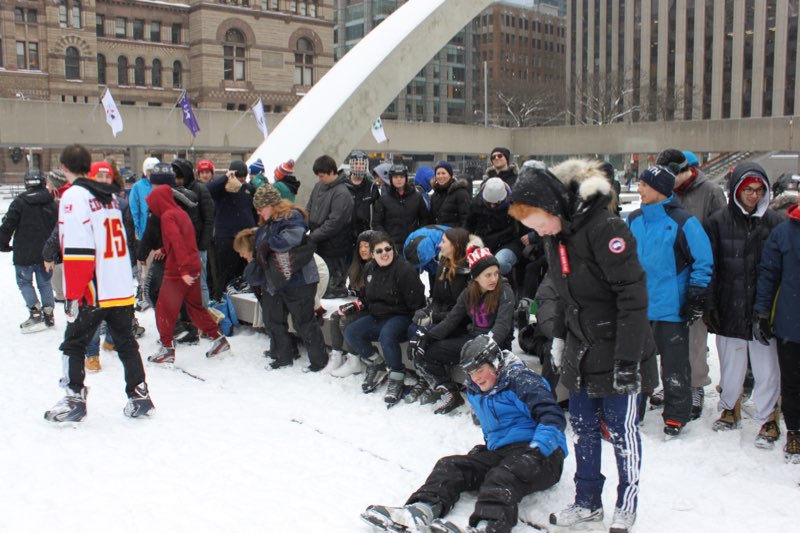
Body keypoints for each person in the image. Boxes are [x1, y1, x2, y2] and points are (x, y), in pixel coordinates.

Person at [508, 160, 657, 533]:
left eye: (540, 223)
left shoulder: (606, 228)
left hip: (619, 346)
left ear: (554, 205)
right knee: (584, 428)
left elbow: (633, 297)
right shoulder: (556, 236)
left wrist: (627, 361)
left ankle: (626, 502)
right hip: (581, 347)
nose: (539, 231)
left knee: (622, 432)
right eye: (533, 228)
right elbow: (563, 294)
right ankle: (587, 501)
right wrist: (559, 335)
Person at [362, 336, 566, 533]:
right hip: (505, 452)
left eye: (480, 370)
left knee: (502, 475)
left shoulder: (521, 381)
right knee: (450, 465)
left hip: (544, 454)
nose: (476, 378)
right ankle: (421, 510)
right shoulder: (476, 390)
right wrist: (487, 452)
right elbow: (498, 428)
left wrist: (538, 450)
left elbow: (552, 417)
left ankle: (488, 526)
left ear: (495, 364)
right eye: (470, 373)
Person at [44, 144, 154, 423]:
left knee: (73, 344)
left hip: (95, 286)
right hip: (118, 284)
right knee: (126, 342)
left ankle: (73, 399)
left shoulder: (74, 196)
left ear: (64, 168)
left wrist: (73, 293)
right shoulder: (109, 197)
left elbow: (78, 249)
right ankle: (140, 395)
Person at [628, 165, 713, 436]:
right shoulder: (633, 219)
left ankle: (676, 413)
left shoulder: (684, 221)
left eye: (644, 185)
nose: (639, 189)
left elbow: (704, 260)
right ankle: (634, 409)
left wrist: (696, 294)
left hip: (671, 307)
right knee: (638, 363)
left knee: (675, 365)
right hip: (640, 308)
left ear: (660, 190)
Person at [704, 162, 783, 447]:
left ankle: (768, 416)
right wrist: (709, 303)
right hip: (729, 304)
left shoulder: (775, 222)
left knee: (767, 368)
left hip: (762, 309)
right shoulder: (717, 222)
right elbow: (710, 266)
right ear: (736, 189)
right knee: (731, 364)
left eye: (758, 190)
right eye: (747, 189)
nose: (753, 195)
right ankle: (730, 407)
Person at [654, 148, 725, 417]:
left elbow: (719, 235)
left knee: (696, 335)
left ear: (685, 171)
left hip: (697, 273)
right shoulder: (664, 192)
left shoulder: (711, 192)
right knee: (667, 334)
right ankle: (671, 383)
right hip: (668, 274)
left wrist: (709, 279)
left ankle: (696, 384)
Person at [410, 245, 515, 415]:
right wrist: (428, 336)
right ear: (476, 277)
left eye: (496, 273)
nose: (493, 279)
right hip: (472, 339)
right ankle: (449, 392)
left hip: (496, 345)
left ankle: (487, 402)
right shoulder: (468, 293)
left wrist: (482, 346)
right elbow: (451, 320)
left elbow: (501, 327)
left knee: (477, 360)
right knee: (427, 352)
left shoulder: (505, 291)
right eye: (488, 275)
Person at [145, 184, 231, 363]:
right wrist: (164, 248)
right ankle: (219, 339)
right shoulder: (181, 213)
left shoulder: (168, 217)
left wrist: (183, 269)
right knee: (195, 308)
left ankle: (166, 348)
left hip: (178, 270)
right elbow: (184, 238)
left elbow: (177, 242)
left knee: (164, 309)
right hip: (193, 266)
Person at [342, 232, 426, 406]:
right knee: (351, 331)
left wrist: (416, 320)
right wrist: (356, 305)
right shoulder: (369, 269)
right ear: (372, 254)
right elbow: (367, 297)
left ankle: (396, 377)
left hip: (401, 316)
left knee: (387, 335)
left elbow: (417, 301)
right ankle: (377, 363)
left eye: (388, 249)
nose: (384, 253)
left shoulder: (404, 270)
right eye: (379, 251)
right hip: (377, 316)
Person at [254, 184, 329, 372]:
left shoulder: (291, 216)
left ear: (271, 205)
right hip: (276, 281)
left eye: (261, 207)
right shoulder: (268, 223)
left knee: (303, 322)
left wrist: (268, 244)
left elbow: (292, 239)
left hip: (300, 279)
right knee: (273, 319)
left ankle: (319, 362)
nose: (258, 211)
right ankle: (283, 356)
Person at [753, 191, 800, 463]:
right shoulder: (783, 233)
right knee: (792, 381)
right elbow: (768, 275)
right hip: (791, 322)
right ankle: (794, 430)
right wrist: (762, 311)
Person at [404, 227, 473, 404]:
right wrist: (428, 311)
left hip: (458, 322)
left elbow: (461, 311)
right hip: (443, 315)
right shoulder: (443, 262)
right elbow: (437, 298)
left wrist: (434, 318)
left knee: (426, 334)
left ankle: (439, 380)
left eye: (443, 242)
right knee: (414, 326)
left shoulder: (468, 271)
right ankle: (427, 376)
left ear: (456, 246)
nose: (439, 245)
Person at [0, 170, 58, 333]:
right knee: (45, 283)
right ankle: (48, 312)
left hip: (23, 252)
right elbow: (58, 227)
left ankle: (35, 311)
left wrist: (3, 243)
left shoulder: (19, 202)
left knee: (24, 282)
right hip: (45, 253)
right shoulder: (51, 203)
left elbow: (8, 225)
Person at [206, 160, 256, 300]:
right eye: (239, 177)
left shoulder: (248, 189)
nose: (241, 180)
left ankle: (241, 304)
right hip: (226, 237)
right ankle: (221, 301)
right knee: (226, 273)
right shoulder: (222, 189)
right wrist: (226, 178)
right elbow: (208, 189)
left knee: (244, 274)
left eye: (244, 177)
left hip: (245, 237)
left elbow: (253, 210)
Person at [307, 155, 355, 299]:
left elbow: (334, 223)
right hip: (319, 241)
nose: (320, 179)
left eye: (322, 176)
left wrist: (313, 236)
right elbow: (309, 208)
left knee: (333, 286)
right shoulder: (318, 186)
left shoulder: (342, 193)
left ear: (331, 172)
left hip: (335, 244)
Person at [329, 230, 374, 378]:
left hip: (378, 309)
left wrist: (355, 306)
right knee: (335, 316)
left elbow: (374, 297)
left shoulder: (378, 265)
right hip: (365, 305)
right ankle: (336, 355)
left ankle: (354, 359)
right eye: (360, 246)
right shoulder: (358, 266)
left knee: (346, 321)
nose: (363, 250)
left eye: (367, 246)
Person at [172, 158, 215, 308]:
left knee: (200, 282)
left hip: (198, 246)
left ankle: (203, 313)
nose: (178, 181)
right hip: (182, 246)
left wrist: (203, 244)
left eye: (180, 177)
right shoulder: (175, 191)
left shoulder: (200, 189)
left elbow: (209, 218)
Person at [467, 178, 523, 277]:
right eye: (489, 203)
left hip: (509, 242)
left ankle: (506, 284)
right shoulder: (476, 204)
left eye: (496, 204)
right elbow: (468, 226)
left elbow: (525, 225)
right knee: (477, 266)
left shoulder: (515, 204)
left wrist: (530, 238)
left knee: (499, 263)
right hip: (485, 242)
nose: (492, 206)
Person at [372, 164, 430, 249]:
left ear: (406, 178)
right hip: (391, 245)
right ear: (391, 179)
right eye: (395, 177)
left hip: (412, 244)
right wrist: (385, 239)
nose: (399, 179)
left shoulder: (416, 196)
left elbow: (425, 219)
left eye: (401, 177)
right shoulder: (383, 199)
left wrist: (418, 235)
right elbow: (376, 223)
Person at [346, 151, 381, 237]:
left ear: (366, 165)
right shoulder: (343, 185)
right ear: (351, 165)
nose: (359, 166)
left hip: (366, 233)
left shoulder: (372, 187)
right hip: (345, 234)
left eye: (362, 164)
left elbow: (378, 213)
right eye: (356, 163)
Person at [430, 161, 471, 228]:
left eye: (443, 173)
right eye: (438, 173)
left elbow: (466, 219)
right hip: (438, 235)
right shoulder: (434, 196)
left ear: (450, 175)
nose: (440, 176)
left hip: (454, 236)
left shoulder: (461, 193)